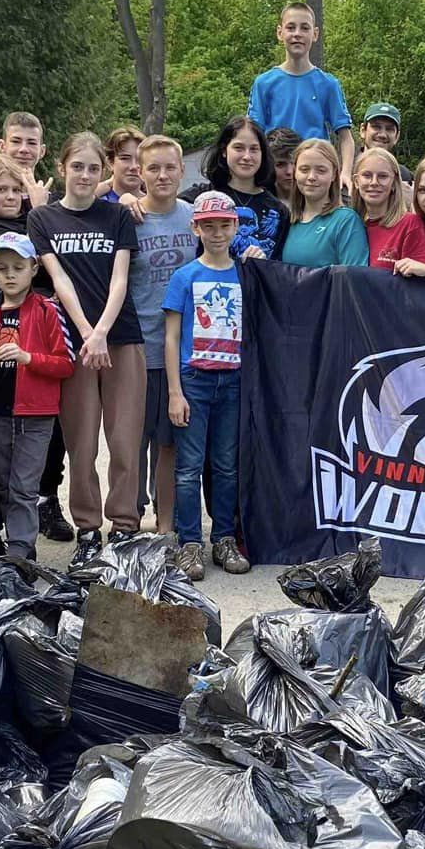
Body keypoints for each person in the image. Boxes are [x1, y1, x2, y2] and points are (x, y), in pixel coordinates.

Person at [28, 132, 147, 562]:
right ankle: (89, 530)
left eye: (93, 168)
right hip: (72, 343)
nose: (84, 175)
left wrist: (102, 332)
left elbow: (120, 278)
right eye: (77, 167)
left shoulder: (116, 216)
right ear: (62, 168)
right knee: (81, 443)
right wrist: (85, 332)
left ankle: (124, 527)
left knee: (124, 439)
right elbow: (59, 279)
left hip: (121, 337)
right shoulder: (42, 218)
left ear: (104, 171)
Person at [0, 234, 75, 560]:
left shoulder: (47, 310)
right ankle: (14, 545)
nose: (10, 275)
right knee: (4, 485)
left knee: (25, 487)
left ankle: (21, 552)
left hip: (36, 414)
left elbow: (66, 364)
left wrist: (28, 358)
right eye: (2, 268)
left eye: (18, 267)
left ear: (34, 268)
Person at [164, 191, 254, 581]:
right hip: (194, 381)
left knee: (226, 466)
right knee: (188, 467)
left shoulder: (245, 275)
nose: (217, 233)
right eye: (209, 226)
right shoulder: (185, 277)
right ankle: (189, 543)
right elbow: (170, 338)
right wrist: (175, 392)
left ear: (235, 227)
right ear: (196, 228)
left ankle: (224, 537)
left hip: (233, 381)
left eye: (224, 226)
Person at [132, 135, 199, 534]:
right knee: (131, 442)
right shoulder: (128, 218)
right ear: (139, 173)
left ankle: (166, 524)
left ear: (181, 171)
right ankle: (128, 520)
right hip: (138, 347)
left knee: (169, 443)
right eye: (153, 168)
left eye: (170, 167)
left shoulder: (194, 218)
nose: (162, 175)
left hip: (182, 351)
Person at [247, 1, 355, 181]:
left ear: (315, 34)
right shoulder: (264, 83)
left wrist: (345, 173)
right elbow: (253, 135)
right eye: (291, 27)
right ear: (280, 32)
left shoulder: (328, 84)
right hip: (276, 176)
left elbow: (345, 137)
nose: (297, 34)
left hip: (314, 176)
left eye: (305, 28)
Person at [201, 115, 290, 261]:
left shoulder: (278, 211)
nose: (247, 156)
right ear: (224, 151)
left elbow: (278, 264)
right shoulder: (203, 197)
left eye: (254, 149)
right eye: (239, 148)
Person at [279, 139, 369, 267]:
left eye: (321, 170)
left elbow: (355, 275)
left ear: (334, 175)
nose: (311, 177)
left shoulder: (346, 221)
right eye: (304, 170)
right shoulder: (288, 221)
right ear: (295, 173)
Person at [354, 148, 425, 271]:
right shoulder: (350, 227)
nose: (374, 182)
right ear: (356, 181)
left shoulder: (409, 225)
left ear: (394, 183)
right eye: (367, 175)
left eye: (383, 176)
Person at [0, 112, 51, 207]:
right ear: (2, 146)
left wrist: (41, 208)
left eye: (31, 143)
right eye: (16, 141)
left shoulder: (52, 205)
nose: (24, 149)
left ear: (42, 151)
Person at [359, 102, 413, 183]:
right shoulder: (345, 170)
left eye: (389, 129)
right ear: (363, 130)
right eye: (376, 127)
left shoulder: (404, 176)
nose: (382, 135)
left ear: (397, 136)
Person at [106, 127, 145, 199]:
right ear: (110, 163)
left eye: (140, 159)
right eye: (125, 158)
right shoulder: (94, 203)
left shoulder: (159, 204)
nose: (134, 166)